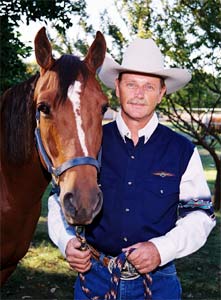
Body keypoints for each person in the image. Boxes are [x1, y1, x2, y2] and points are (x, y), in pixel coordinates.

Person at [47, 37, 216, 300]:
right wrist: (66, 241)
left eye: (149, 86)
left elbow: (201, 215)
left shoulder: (182, 150)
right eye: (131, 84)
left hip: (158, 284)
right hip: (96, 277)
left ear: (161, 94)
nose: (139, 94)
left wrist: (161, 249)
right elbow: (57, 201)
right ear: (117, 88)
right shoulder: (92, 142)